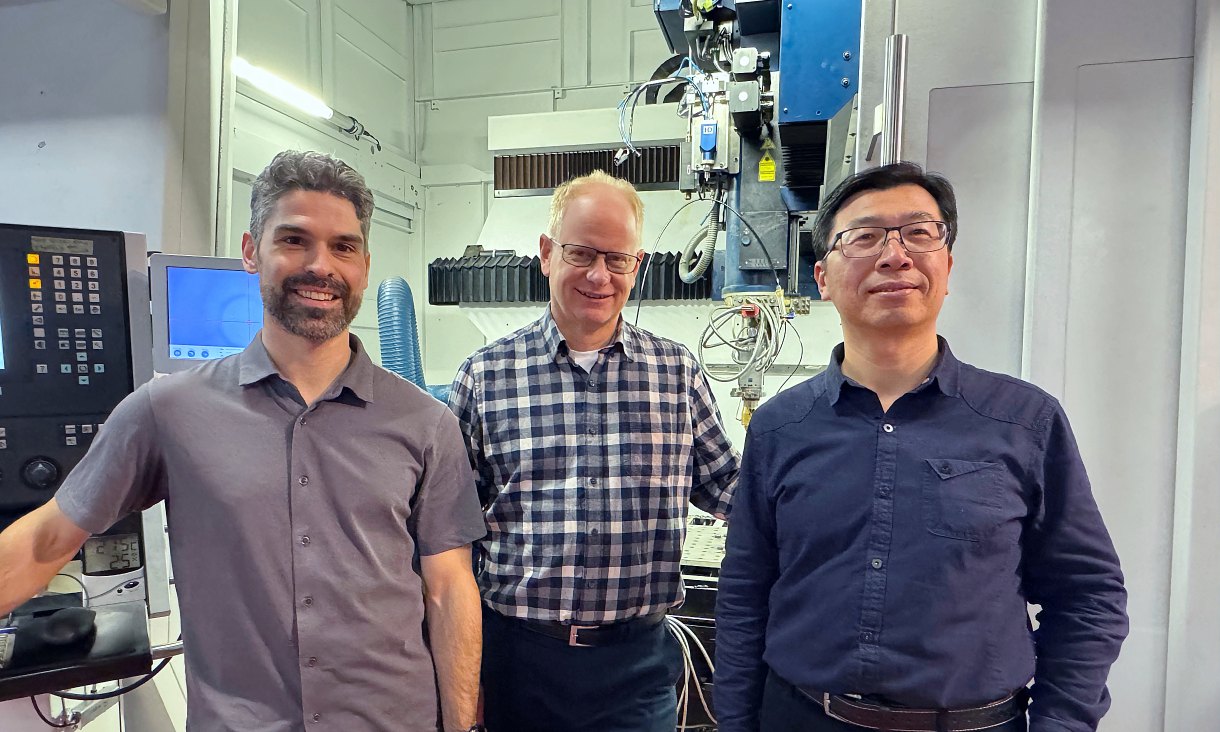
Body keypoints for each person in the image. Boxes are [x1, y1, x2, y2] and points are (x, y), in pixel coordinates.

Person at [0, 151, 486, 732]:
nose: (320, 265)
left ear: (364, 264)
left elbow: (449, 590)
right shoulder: (167, 412)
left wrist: (462, 725)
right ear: (252, 252)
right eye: (294, 240)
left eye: (343, 247)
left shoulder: (425, 422)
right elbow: (48, 540)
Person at [714, 162, 1129, 732]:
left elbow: (1088, 595)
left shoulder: (1024, 421)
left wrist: (1062, 722)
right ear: (823, 278)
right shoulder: (780, 427)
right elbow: (743, 598)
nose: (894, 256)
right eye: (863, 237)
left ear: (948, 265)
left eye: (918, 232)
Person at [448, 169, 740, 732]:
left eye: (617, 259)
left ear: (640, 264)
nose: (599, 275)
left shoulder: (674, 373)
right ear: (546, 253)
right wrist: (463, 671)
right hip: (518, 659)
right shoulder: (485, 376)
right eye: (581, 253)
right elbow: (448, 535)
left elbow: (731, 488)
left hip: (636, 669)